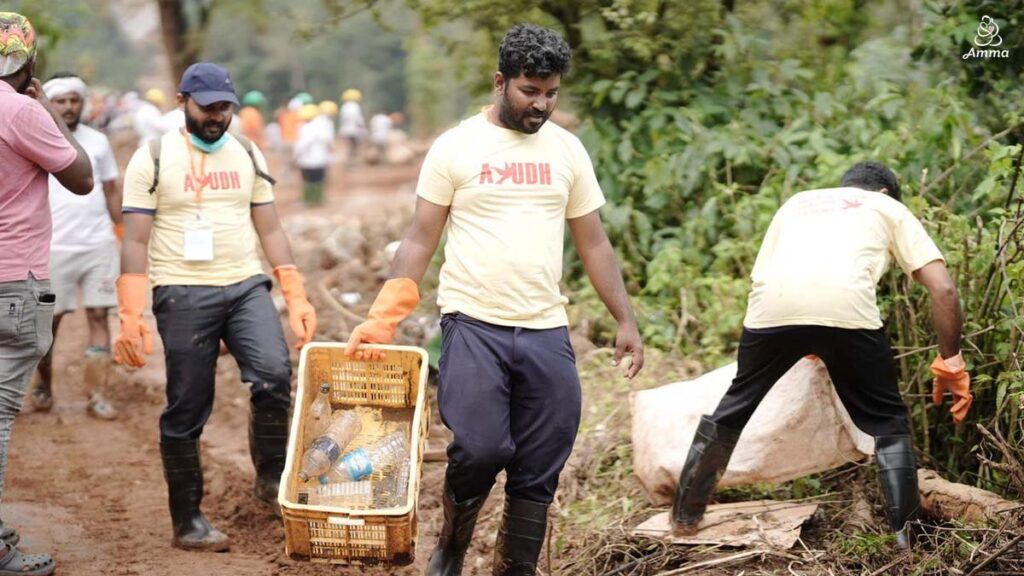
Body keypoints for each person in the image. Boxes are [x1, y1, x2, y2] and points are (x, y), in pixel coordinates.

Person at [345, 23, 645, 576]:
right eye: (530, 92)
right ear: (501, 81)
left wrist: (624, 318)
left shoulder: (567, 151)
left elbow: (594, 240)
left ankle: (517, 566)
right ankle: (452, 547)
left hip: (545, 327)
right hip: (473, 322)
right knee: (481, 448)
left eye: (551, 93)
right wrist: (382, 318)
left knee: (542, 458)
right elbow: (418, 238)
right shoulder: (456, 147)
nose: (542, 105)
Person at [669, 161, 970, 550]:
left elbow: (770, 274)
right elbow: (943, 290)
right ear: (884, 193)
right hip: (848, 313)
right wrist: (952, 361)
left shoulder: (798, 203)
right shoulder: (887, 207)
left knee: (735, 406)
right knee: (888, 422)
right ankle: (907, 540)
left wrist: (806, 338)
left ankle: (685, 515)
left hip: (771, 311)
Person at [115, 62, 318, 552]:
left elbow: (269, 228)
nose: (217, 116)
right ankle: (187, 519)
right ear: (183, 101)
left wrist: (293, 290)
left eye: (224, 107)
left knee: (273, 375)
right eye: (207, 107)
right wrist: (131, 312)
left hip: (245, 285)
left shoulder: (247, 151)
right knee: (188, 406)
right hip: (182, 290)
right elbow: (136, 240)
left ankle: (271, 480)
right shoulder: (154, 158)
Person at [0, 12, 95, 575]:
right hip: (15, 281)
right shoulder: (21, 111)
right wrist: (48, 117)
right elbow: (80, 177)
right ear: (29, 62)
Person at [30, 73, 122, 420]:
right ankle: (44, 383)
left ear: (83, 102)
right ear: (48, 102)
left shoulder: (98, 141)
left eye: (74, 100)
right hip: (53, 247)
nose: (68, 107)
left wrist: (122, 231)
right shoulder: (37, 138)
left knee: (99, 315)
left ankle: (96, 394)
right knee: (48, 324)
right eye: (61, 100)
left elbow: (111, 189)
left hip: (98, 243)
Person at [293, 103, 333, 205]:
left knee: (307, 181)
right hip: (320, 159)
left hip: (307, 160)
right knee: (319, 180)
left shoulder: (305, 127)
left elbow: (303, 144)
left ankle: (308, 200)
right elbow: (327, 140)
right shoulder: (322, 125)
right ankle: (319, 199)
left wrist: (296, 156)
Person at [338, 88, 365, 165]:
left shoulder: (344, 107)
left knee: (348, 147)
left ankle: (348, 162)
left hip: (345, 129)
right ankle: (353, 162)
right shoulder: (355, 106)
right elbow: (358, 119)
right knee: (355, 147)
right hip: (355, 130)